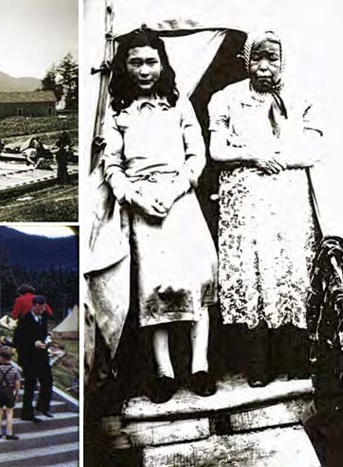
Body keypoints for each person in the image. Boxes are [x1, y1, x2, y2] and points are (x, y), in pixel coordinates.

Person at [85, 28, 218, 404]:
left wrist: (176, 188)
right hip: (142, 205)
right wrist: (136, 197)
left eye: (151, 62)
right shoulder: (117, 111)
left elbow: (197, 154)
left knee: (195, 282)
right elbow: (112, 164)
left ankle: (200, 366)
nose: (145, 70)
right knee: (154, 288)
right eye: (136, 62)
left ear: (163, 64)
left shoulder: (179, 105)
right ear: (125, 67)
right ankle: (164, 372)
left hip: (180, 199)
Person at [208, 30, 323, 387]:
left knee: (289, 271)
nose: (263, 66)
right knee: (253, 272)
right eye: (256, 58)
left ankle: (294, 359)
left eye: (271, 58)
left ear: (282, 60)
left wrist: (279, 158)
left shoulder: (301, 97)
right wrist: (252, 154)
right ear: (246, 60)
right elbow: (217, 151)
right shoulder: (226, 99)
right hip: (246, 202)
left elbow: (313, 150)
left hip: (287, 199)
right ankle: (258, 364)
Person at [13, 295, 53, 422]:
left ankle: (43, 406)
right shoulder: (24, 320)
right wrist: (33, 343)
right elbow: (17, 341)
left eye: (43, 309)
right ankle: (27, 413)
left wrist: (47, 338)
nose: (41, 311)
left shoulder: (44, 317)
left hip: (42, 355)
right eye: (39, 309)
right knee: (30, 385)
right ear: (33, 306)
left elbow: (43, 332)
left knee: (48, 381)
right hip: (29, 357)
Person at [0, 347, 21, 440]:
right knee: (9, 412)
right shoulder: (14, 370)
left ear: (1, 357)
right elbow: (17, 383)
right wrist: (16, 394)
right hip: (9, 391)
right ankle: (9, 433)